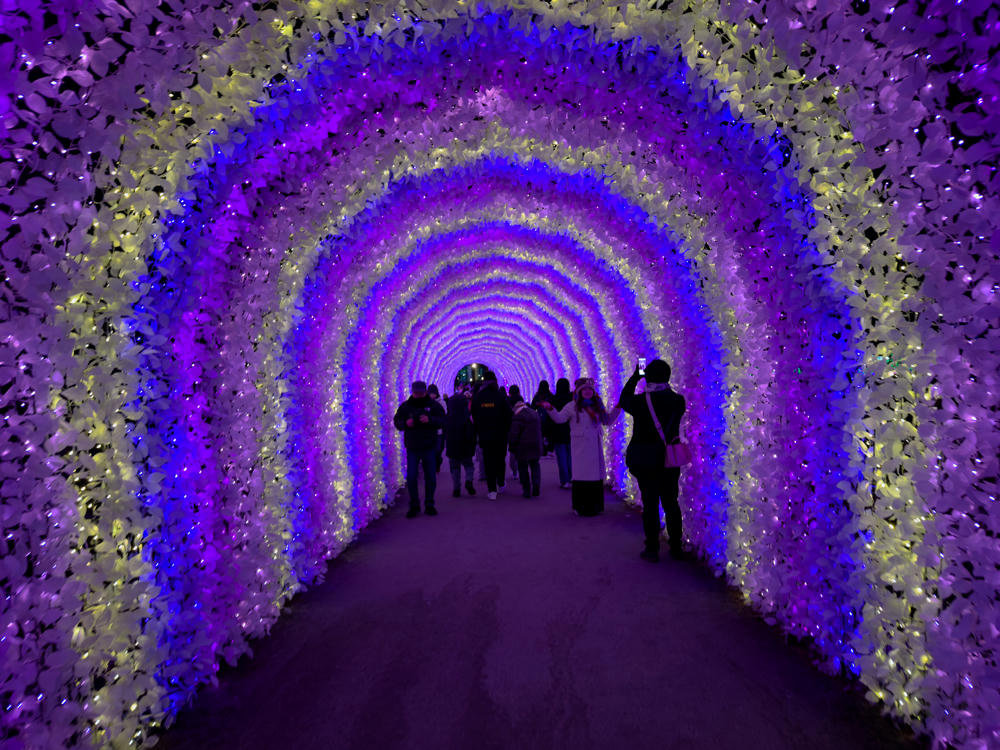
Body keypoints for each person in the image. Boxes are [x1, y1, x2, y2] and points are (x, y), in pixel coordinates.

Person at [617, 359, 687, 561]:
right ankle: (676, 546)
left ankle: (652, 548)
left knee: (650, 504)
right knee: (671, 502)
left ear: (647, 376)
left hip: (645, 459)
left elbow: (624, 399)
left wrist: (635, 377)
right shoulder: (678, 401)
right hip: (669, 458)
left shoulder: (640, 402)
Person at [542, 378, 619, 516]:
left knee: (594, 477)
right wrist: (550, 409)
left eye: (590, 389)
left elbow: (607, 420)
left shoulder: (597, 405)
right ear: (579, 391)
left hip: (594, 447)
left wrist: (618, 407)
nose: (587, 391)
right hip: (580, 448)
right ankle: (580, 507)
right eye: (584, 389)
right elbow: (559, 419)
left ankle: (595, 507)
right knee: (581, 477)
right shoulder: (572, 406)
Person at [393, 380, 446, 517]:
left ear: (425, 392)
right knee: (411, 477)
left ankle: (429, 505)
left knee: (431, 477)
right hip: (413, 447)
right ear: (412, 392)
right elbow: (397, 421)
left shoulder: (433, 405)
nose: (418, 396)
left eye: (421, 393)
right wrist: (406, 423)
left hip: (429, 446)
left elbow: (443, 420)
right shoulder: (406, 406)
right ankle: (414, 505)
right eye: (416, 393)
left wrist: (430, 420)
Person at [471, 371, 513, 499]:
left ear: (484, 382)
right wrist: (506, 430)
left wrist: (478, 431)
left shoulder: (478, 397)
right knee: (500, 459)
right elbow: (509, 415)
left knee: (489, 461)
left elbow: (474, 415)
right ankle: (501, 483)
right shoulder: (501, 396)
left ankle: (492, 490)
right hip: (500, 435)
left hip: (485, 435)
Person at [508, 395, 543, 497]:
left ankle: (526, 489)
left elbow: (514, 433)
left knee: (522, 467)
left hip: (523, 445)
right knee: (535, 464)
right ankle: (536, 484)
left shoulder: (518, 416)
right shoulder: (534, 413)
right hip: (536, 443)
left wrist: (512, 444)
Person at [445, 387, 477, 497]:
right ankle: (469, 480)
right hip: (466, 446)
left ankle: (456, 488)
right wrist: (472, 444)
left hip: (453, 447)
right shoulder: (467, 418)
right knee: (469, 465)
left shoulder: (448, 418)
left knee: (454, 468)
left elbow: (445, 433)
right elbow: (471, 433)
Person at [549, 378, 573, 487]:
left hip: (558, 432)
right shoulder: (572, 399)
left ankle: (564, 480)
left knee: (561, 457)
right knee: (571, 456)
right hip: (571, 431)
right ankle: (572, 477)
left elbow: (550, 417)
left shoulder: (554, 400)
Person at [531, 380, 555, 455]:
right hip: (550, 418)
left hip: (540, 418)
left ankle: (542, 450)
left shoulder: (537, 396)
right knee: (550, 434)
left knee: (540, 434)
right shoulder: (551, 396)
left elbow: (532, 407)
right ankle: (550, 449)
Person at [427, 383, 446, 472]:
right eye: (430, 393)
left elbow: (444, 414)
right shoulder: (426, 403)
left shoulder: (441, 402)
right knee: (431, 449)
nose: (432, 395)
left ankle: (438, 461)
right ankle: (433, 466)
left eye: (433, 393)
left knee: (438, 449)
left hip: (439, 431)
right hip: (429, 431)